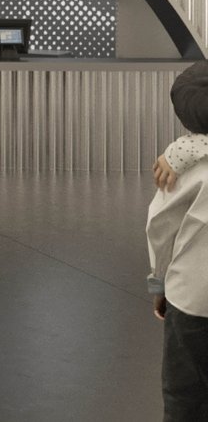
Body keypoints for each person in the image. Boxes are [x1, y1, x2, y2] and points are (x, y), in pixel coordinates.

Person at [147, 63, 208, 419]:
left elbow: (161, 229)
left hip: (191, 296)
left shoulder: (176, 168)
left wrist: (159, 283)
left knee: (185, 393)